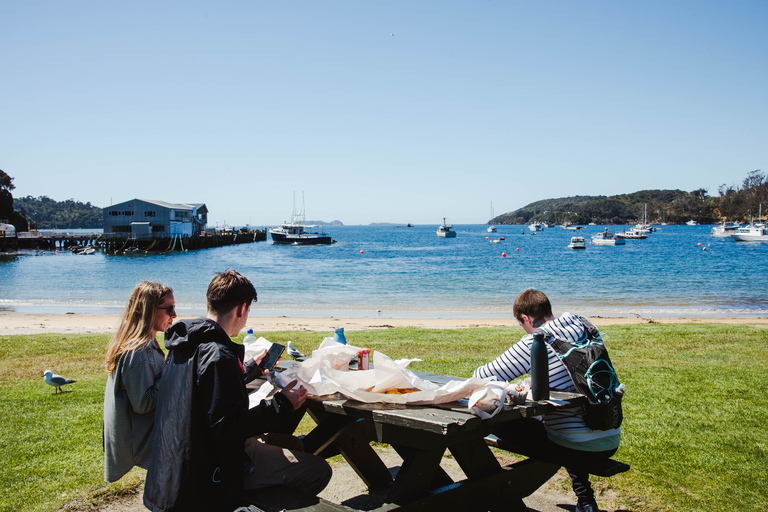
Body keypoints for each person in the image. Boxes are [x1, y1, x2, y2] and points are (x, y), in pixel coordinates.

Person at [143, 270, 331, 512]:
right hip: (206, 474)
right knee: (318, 470)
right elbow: (228, 427)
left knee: (293, 445)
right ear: (241, 310)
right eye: (248, 311)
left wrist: (251, 368)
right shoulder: (219, 354)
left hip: (175, 467)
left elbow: (207, 394)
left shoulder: (185, 345)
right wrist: (282, 404)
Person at [473, 289, 620, 512]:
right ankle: (586, 501)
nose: (522, 329)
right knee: (566, 422)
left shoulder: (535, 340)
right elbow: (572, 376)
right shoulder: (585, 326)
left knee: (494, 418)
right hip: (609, 436)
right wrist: (534, 381)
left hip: (574, 446)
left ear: (525, 318)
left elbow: (481, 376)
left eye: (521, 324)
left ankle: (485, 492)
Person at [103, 281, 176, 482]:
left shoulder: (146, 343)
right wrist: (173, 370)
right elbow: (143, 404)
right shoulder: (139, 352)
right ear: (149, 310)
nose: (174, 315)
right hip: (142, 441)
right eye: (169, 309)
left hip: (144, 432)